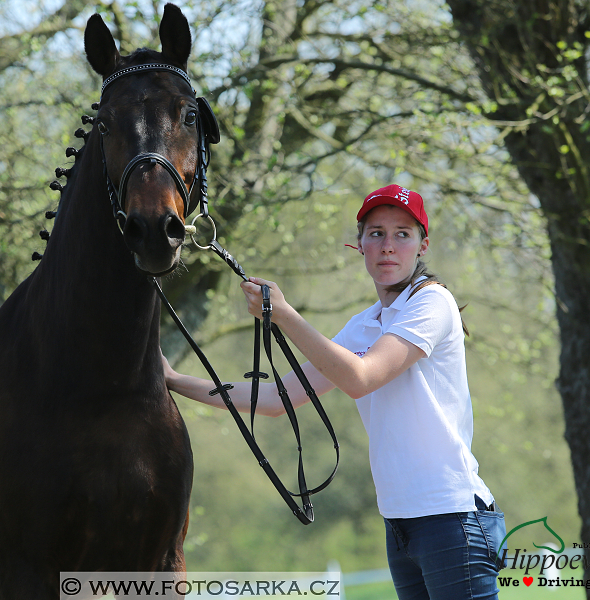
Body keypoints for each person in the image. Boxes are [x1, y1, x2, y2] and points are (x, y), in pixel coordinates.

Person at [164, 184, 507, 600]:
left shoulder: (431, 302)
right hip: (400, 523)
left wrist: (285, 316)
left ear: (422, 246)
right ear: (359, 244)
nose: (387, 245)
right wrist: (174, 379)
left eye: (403, 233)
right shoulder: (364, 325)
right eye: (376, 233)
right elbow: (276, 399)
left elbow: (361, 378)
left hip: (452, 517)